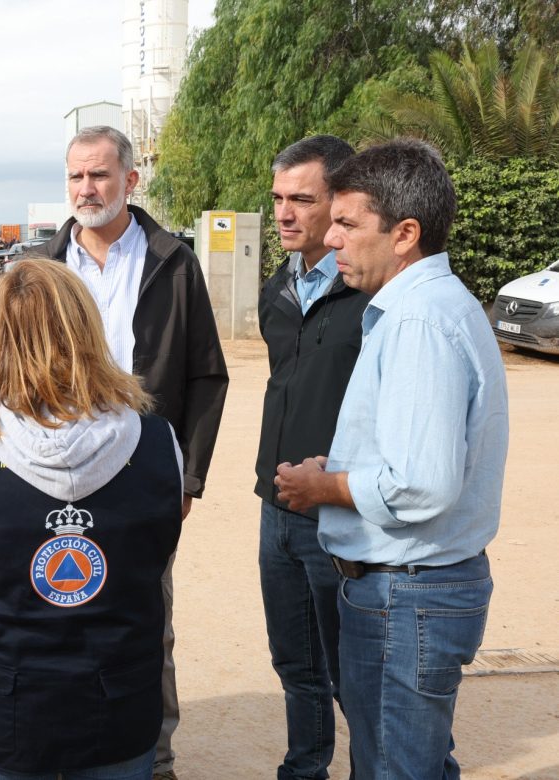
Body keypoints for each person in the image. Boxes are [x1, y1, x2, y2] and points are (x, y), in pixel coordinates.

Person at [275, 139, 509, 779]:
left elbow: (421, 485)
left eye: (348, 223)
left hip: (407, 595)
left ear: (405, 233)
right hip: (410, 593)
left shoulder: (418, 321)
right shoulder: (423, 309)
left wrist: (325, 486)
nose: (334, 237)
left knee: (395, 770)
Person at [0, 258, 183, 779]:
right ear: (88, 330)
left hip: (2, 705)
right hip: (119, 702)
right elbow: (159, 541)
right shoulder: (160, 443)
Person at [38, 124, 228, 780]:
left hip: (144, 482)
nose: (86, 189)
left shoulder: (173, 263)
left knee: (146, 623)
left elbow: (206, 374)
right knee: (55, 617)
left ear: (130, 179)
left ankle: (157, 758)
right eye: (75, 177)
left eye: (99, 175)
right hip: (53, 480)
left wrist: (188, 477)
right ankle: (67, 749)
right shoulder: (39, 269)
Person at [255, 134, 365, 779]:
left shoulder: (371, 294)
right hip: (277, 508)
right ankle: (304, 770)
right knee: (295, 664)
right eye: (278, 199)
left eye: (303, 198)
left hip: (340, 511)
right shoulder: (279, 288)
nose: (286, 214)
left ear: (341, 202)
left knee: (356, 671)